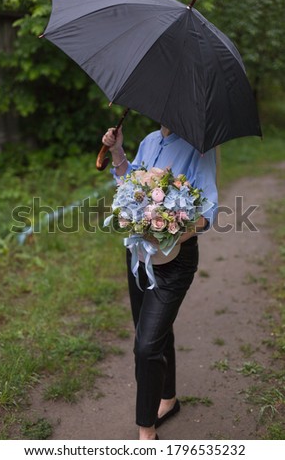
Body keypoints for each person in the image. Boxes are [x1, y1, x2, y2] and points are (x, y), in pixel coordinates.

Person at [102, 125, 218, 440]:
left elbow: (208, 214)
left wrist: (169, 229)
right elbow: (129, 185)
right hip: (139, 255)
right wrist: (117, 151)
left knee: (146, 345)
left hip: (174, 261)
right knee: (153, 329)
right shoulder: (151, 141)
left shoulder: (200, 147)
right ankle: (168, 399)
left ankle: (146, 430)